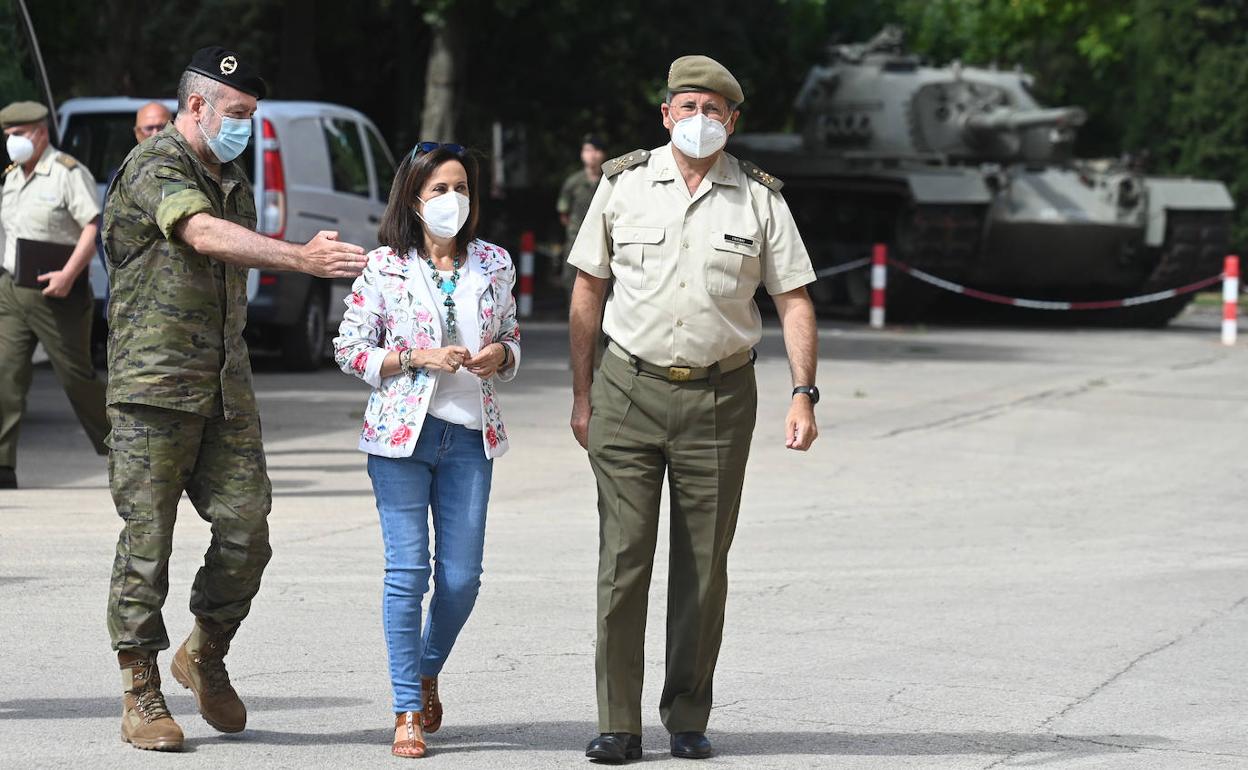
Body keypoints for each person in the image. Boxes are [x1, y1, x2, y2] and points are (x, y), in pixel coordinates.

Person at [102, 46, 367, 752]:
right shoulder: (155, 165)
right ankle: (141, 689)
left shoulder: (233, 180)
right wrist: (301, 258)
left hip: (223, 389)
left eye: (251, 114)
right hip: (153, 391)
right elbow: (200, 233)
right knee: (146, 543)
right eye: (238, 113)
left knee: (249, 531)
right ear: (198, 106)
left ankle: (205, 653)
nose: (244, 126)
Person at [567, 55, 820, 763]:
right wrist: (582, 393)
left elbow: (793, 297)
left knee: (704, 568)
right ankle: (618, 721)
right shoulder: (622, 187)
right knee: (624, 558)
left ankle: (686, 712)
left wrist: (804, 392)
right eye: (688, 106)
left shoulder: (760, 199)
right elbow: (589, 291)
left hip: (721, 395)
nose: (700, 120)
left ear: (732, 121)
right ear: (665, 114)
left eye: (714, 109)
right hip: (626, 389)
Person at [333, 142, 521, 759]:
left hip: (470, 436)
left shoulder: (493, 262)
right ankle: (406, 709)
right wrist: (413, 356)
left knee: (462, 579)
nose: (453, 200)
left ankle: (426, 667)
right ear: (413, 198)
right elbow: (350, 349)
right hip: (399, 439)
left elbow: (511, 333)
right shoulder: (385, 266)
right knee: (406, 573)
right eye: (439, 189)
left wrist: (503, 356)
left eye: (462, 187)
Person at [0, 100, 110, 490]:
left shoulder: (66, 172)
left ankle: (122, 452)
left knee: (75, 378)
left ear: (40, 133)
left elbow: (91, 226)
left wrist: (67, 274)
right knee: (6, 374)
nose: (11, 143)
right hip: (12, 289)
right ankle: (3, 465)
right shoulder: (11, 177)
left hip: (57, 292)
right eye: (7, 136)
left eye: (18, 135)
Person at [556, 134, 606, 297]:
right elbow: (564, 213)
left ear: (603, 154)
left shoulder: (610, 181)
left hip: (604, 237)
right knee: (571, 277)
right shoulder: (574, 182)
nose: (592, 155)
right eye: (587, 150)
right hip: (577, 237)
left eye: (596, 150)